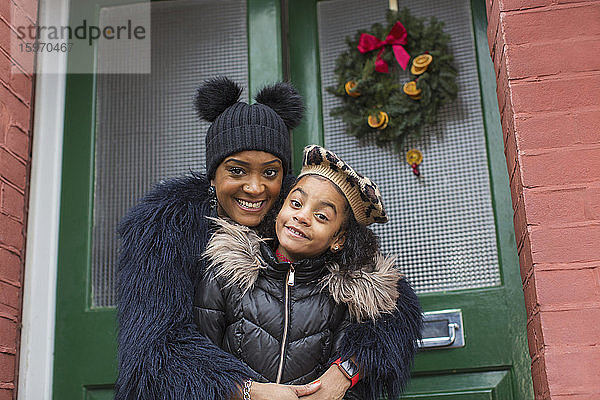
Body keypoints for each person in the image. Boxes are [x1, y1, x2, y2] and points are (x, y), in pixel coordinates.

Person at [116, 76, 422, 400]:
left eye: (270, 172)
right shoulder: (166, 226)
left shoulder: (298, 211)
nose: (255, 187)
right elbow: (153, 350)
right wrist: (246, 391)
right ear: (214, 173)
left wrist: (346, 371)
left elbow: (390, 306)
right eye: (237, 171)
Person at [195, 144, 422, 400]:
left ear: (339, 238)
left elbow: (342, 389)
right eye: (295, 203)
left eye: (322, 216)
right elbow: (201, 364)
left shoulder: (347, 298)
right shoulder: (227, 271)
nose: (302, 216)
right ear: (280, 208)